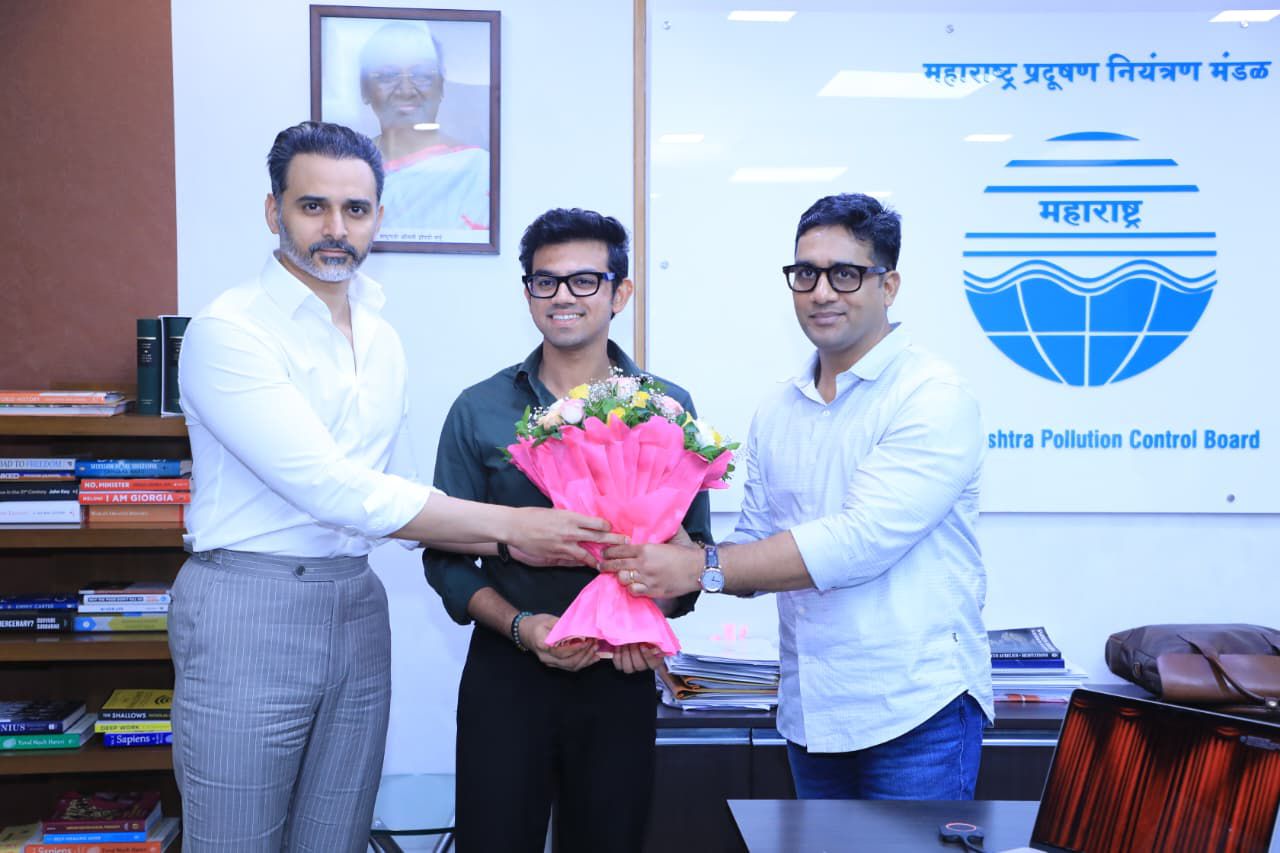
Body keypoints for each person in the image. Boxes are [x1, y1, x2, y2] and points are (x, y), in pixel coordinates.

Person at [172, 122, 622, 852]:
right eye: (312, 206)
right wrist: (514, 527)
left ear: (378, 216)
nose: (335, 227)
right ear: (273, 210)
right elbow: (331, 488)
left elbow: (394, 488)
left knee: (337, 838)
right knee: (236, 840)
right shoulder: (230, 331)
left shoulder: (379, 336)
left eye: (355, 209)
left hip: (355, 600)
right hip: (250, 603)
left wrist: (527, 539)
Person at [603, 193, 994, 801]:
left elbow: (858, 543)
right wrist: (667, 546)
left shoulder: (931, 395)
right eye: (806, 273)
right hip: (811, 711)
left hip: (917, 711)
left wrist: (698, 565)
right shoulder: (779, 407)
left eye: (846, 274)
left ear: (889, 285)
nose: (821, 292)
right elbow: (755, 546)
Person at [423, 208, 713, 852]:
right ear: (527, 291)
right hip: (508, 671)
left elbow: (692, 556)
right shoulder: (479, 409)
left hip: (620, 675)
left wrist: (649, 620)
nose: (562, 296)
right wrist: (521, 627)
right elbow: (444, 558)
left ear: (620, 293)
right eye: (544, 281)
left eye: (585, 281)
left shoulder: (667, 409)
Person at [357, 21, 488, 243]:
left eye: (422, 76)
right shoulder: (349, 167)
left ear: (441, 85)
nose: (406, 90)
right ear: (364, 88)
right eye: (388, 76)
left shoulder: (477, 169)